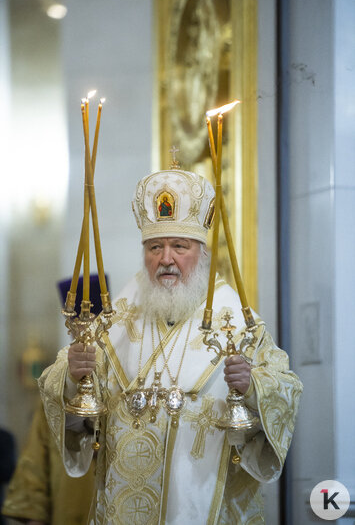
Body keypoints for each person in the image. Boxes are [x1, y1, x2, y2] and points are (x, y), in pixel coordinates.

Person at [38, 166, 303, 524]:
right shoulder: (115, 322)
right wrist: (71, 375)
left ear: (203, 253)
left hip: (209, 504)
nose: (166, 259)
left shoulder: (238, 323)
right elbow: (71, 410)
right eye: (154, 247)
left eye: (180, 246)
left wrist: (253, 385)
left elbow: (287, 389)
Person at [1, 275, 107, 525]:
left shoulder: (124, 375)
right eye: (76, 322)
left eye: (92, 321)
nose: (84, 330)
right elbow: (36, 458)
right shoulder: (58, 384)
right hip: (67, 505)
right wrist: (35, 516)